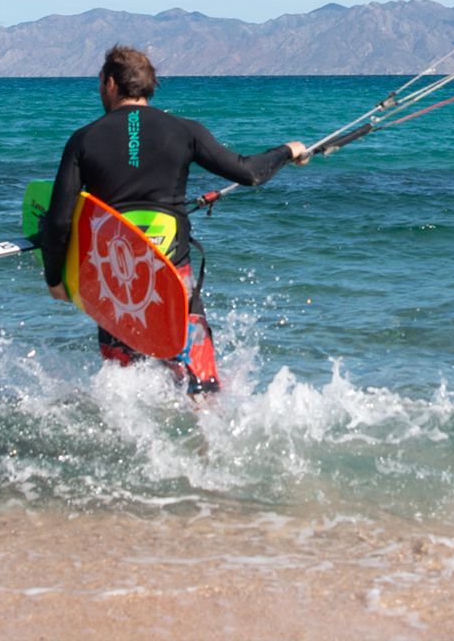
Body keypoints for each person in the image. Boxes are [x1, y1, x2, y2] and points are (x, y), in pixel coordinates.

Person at [41, 44, 306, 394]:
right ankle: (206, 442)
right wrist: (288, 150)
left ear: (109, 84)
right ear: (149, 87)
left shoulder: (83, 139)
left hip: (117, 283)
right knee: (202, 389)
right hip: (171, 277)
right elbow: (247, 173)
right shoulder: (185, 131)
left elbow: (59, 220)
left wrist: (55, 278)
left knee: (122, 393)